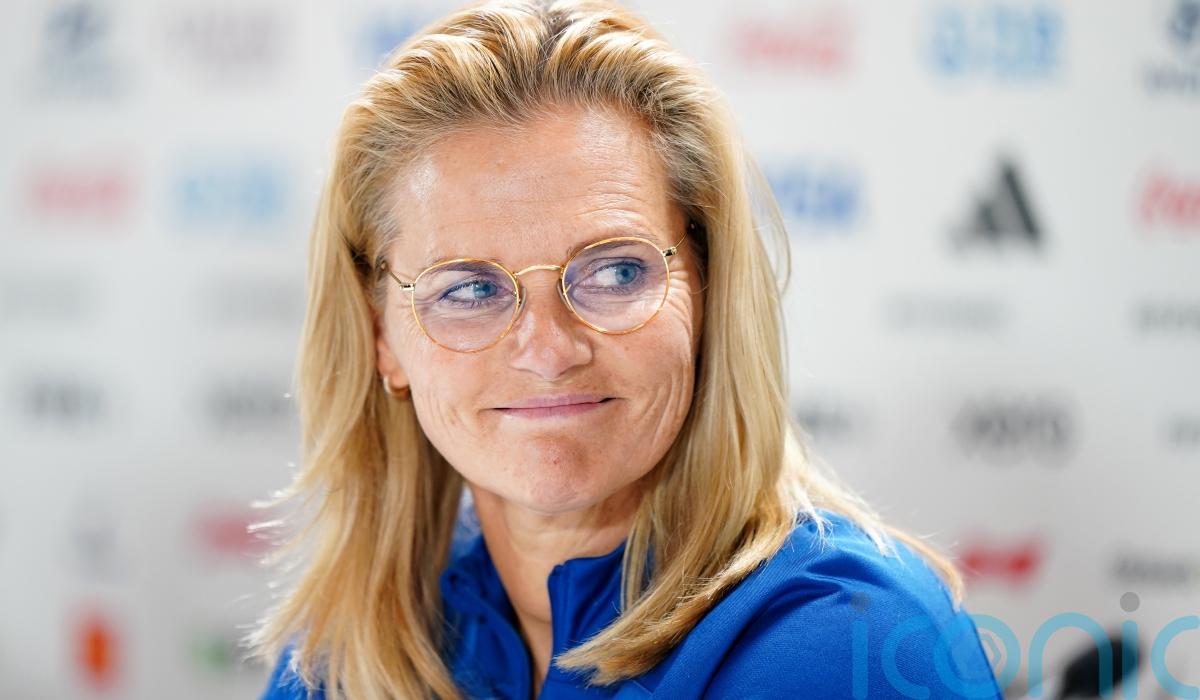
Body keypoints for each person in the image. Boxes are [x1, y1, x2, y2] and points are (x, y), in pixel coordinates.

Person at [248, 0, 1003, 697]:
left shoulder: (843, 643)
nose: (548, 350)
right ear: (382, 337)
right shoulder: (345, 653)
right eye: (470, 289)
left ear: (708, 291)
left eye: (615, 272)